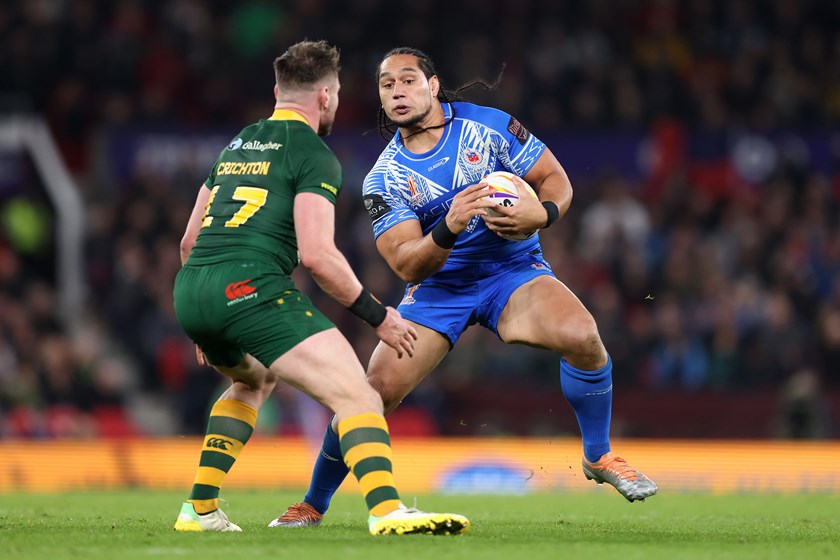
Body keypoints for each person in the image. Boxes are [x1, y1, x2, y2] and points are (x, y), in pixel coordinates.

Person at [272, 46, 658, 528]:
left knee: (583, 336)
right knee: (372, 394)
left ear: (432, 86)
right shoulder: (383, 179)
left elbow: (554, 179)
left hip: (512, 271)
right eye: (387, 85)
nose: (397, 92)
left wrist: (542, 213)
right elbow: (406, 265)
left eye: (408, 80)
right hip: (438, 291)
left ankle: (598, 457)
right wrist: (449, 226)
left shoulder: (489, 125)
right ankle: (313, 503)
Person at [171, 40, 469, 536]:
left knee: (252, 379)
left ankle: (199, 510)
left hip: (192, 291)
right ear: (327, 97)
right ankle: (387, 509)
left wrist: (204, 324)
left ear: (276, 91)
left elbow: (188, 240)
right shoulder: (314, 153)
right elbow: (319, 257)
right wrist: (381, 316)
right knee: (357, 395)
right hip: (251, 290)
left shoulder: (239, 143)